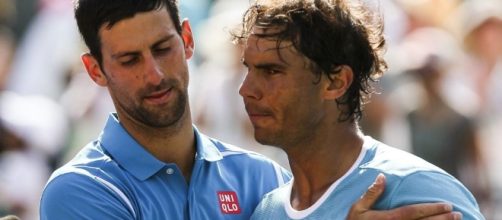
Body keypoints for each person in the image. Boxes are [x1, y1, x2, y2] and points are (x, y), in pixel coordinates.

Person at [40, 0, 460, 219]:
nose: (154, 75)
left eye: (163, 49)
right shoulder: (80, 191)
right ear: (95, 70)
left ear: (187, 40)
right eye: (129, 60)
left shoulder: (266, 182)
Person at [232, 0, 485, 219]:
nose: (246, 89)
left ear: (336, 82)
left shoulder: (413, 189)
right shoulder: (266, 210)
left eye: (272, 71)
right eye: (249, 69)